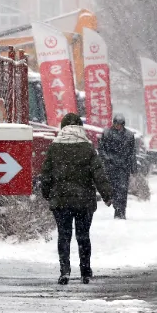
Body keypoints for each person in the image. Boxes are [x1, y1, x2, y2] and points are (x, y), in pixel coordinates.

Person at [39, 113, 113, 285]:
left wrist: (47, 192)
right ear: (80, 128)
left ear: (62, 128)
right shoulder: (87, 148)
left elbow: (46, 174)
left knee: (63, 236)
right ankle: (85, 271)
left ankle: (64, 271)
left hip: (60, 200)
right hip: (84, 200)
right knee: (83, 236)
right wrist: (107, 194)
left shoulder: (54, 148)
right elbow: (98, 174)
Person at [98, 113, 136, 219]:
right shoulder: (106, 133)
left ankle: (121, 211)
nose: (118, 126)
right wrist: (107, 159)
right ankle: (116, 207)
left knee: (123, 189)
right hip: (111, 166)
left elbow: (132, 151)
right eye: (116, 124)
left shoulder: (129, 135)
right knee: (113, 189)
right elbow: (101, 149)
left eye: (120, 124)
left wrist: (133, 167)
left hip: (124, 166)